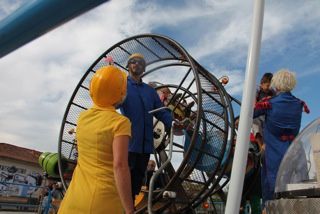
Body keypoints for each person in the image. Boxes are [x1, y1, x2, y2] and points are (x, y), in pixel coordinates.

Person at [58, 65, 134, 214]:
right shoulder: (120, 122)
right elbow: (119, 166)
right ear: (121, 93)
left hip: (73, 199)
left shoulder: (82, 118)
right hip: (103, 202)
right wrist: (130, 209)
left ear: (92, 90)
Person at [253, 69, 309, 212]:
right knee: (296, 192)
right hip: (296, 152)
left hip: (274, 154)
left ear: (276, 85)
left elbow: (251, 113)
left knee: (272, 192)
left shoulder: (269, 103)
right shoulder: (299, 104)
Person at [119, 53, 173, 202]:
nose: (137, 64)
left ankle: (131, 206)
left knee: (136, 182)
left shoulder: (149, 91)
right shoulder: (122, 85)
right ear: (128, 65)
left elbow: (161, 111)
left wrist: (173, 123)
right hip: (129, 143)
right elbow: (112, 104)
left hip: (145, 146)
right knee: (125, 180)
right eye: (134, 62)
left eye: (141, 63)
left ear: (144, 68)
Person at [252, 72, 275, 149]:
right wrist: (262, 102)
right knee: (255, 123)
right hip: (258, 114)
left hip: (268, 115)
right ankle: (261, 146)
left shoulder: (272, 93)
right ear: (262, 84)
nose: (269, 88)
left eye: (270, 86)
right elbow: (254, 105)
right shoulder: (257, 91)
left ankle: (269, 143)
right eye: (267, 86)